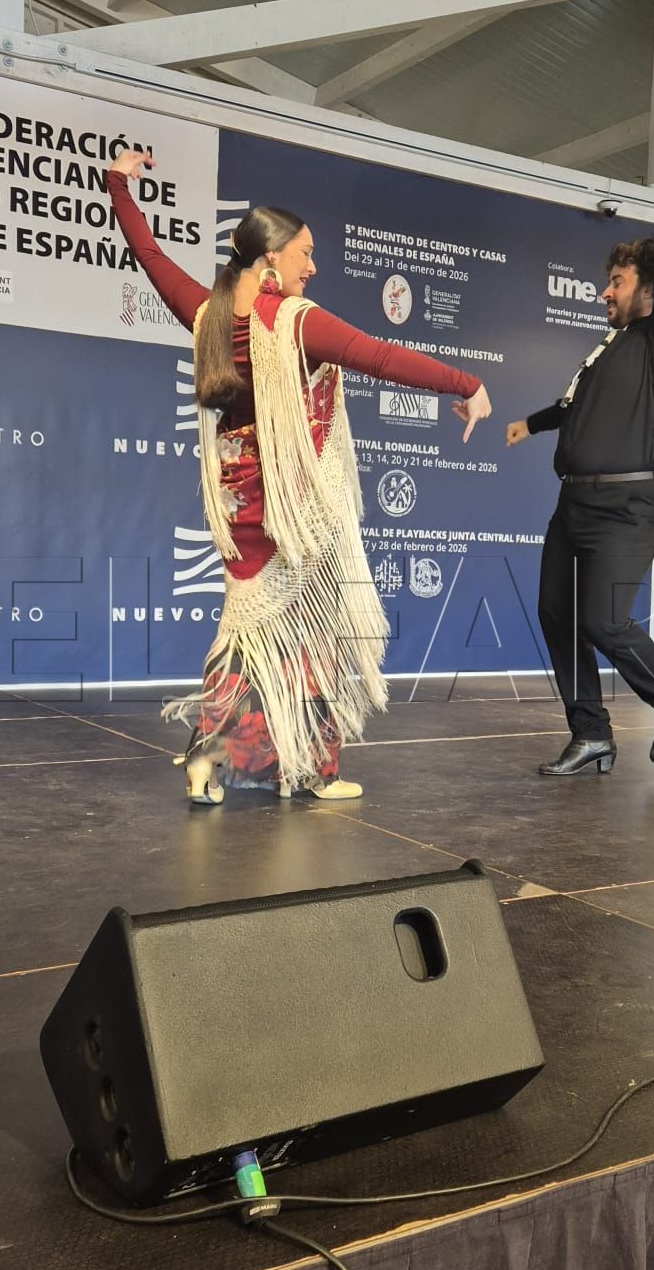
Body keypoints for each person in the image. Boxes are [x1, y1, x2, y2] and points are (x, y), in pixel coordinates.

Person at [106, 152, 490, 804]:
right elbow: (381, 357)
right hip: (295, 503)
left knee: (248, 629)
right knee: (317, 627)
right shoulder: (295, 321)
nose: (312, 268)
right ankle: (314, 766)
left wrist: (118, 185)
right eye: (305, 253)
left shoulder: (206, 314)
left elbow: (150, 257)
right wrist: (467, 383)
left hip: (238, 498)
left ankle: (211, 755)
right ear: (271, 256)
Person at [507, 178, 654, 776]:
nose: (604, 292)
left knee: (603, 620)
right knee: (556, 614)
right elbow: (573, 407)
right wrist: (530, 424)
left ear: (648, 288)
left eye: (616, 281)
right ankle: (590, 732)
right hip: (574, 507)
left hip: (630, 505)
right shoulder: (608, 349)